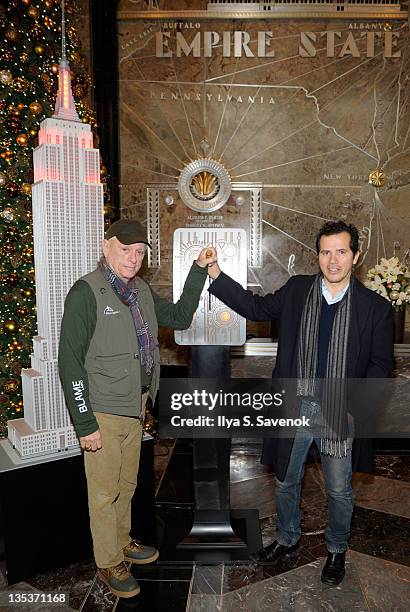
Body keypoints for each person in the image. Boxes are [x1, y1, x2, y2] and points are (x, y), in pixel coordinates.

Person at [206, 220, 393, 586]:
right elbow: (255, 307)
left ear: (355, 256)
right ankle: (288, 538)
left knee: (339, 489)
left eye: (341, 251)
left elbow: (380, 367)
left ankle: (336, 549)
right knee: (285, 481)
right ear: (318, 255)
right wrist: (215, 272)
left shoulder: (375, 308)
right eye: (326, 252)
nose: (333, 260)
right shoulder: (297, 291)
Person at [58, 219, 216, 599]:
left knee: (126, 486)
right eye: (125, 249)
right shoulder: (86, 292)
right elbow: (69, 362)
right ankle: (109, 560)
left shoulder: (140, 290)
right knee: (104, 492)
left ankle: (124, 540)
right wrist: (85, 423)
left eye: (140, 251)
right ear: (106, 246)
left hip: (136, 406)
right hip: (103, 412)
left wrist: (197, 270)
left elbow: (178, 317)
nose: (133, 257)